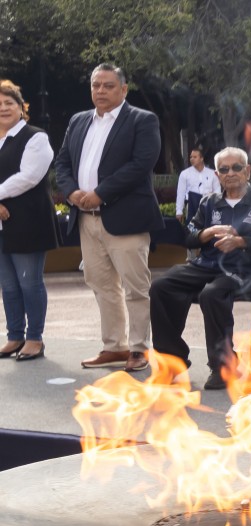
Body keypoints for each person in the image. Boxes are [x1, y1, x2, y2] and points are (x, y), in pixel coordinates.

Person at [55, 63, 164, 373]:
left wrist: (101, 193)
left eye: (108, 85)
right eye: (95, 85)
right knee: (101, 285)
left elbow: (142, 163)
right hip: (86, 219)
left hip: (125, 217)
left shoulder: (142, 120)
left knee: (135, 286)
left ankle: (139, 349)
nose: (100, 91)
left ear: (124, 89)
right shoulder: (78, 121)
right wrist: (72, 192)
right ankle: (114, 347)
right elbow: (62, 163)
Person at [150, 147, 251, 390]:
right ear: (217, 175)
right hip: (207, 265)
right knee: (161, 287)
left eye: (236, 167)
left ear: (248, 171)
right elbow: (188, 237)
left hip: (244, 269)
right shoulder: (209, 202)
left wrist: (242, 241)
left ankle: (223, 366)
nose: (230, 173)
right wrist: (205, 233)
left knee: (211, 294)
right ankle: (172, 360)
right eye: (224, 169)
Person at [0, 80, 60, 361]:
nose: (3, 108)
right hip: (2, 224)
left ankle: (34, 338)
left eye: (8, 103)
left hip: (28, 221)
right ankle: (15, 336)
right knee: (8, 285)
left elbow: (28, 177)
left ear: (22, 107)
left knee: (29, 283)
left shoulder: (36, 137)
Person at [175, 148, 220, 224]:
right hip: (191, 205)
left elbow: (217, 191)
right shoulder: (185, 174)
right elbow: (181, 193)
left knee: (207, 228)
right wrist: (179, 211)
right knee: (192, 229)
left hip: (208, 204)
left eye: (195, 157)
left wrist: (217, 207)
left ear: (201, 158)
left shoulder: (212, 174)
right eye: (191, 157)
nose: (192, 159)